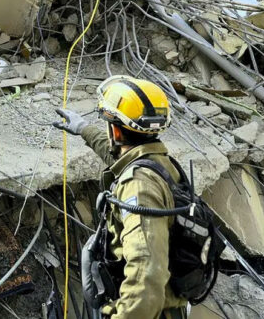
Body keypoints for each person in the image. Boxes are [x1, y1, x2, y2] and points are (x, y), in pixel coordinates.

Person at [52, 76, 188, 319]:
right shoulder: (158, 164)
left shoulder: (138, 186)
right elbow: (119, 157)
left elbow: (145, 275)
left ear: (115, 129)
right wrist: (84, 129)